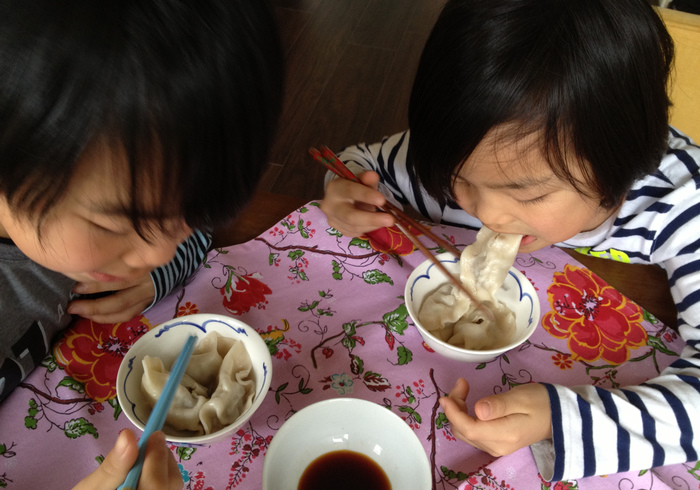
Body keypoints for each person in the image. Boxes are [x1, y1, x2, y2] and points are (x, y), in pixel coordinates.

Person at [320, 0, 700, 482]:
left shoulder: (682, 205)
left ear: (623, 168)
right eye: (463, 180)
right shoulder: (445, 163)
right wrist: (347, 193)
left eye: (532, 193)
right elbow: (358, 163)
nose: (486, 213)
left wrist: (560, 420)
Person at [0, 0, 283, 487]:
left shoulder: (100, 234)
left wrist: (155, 281)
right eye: (115, 225)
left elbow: (195, 238)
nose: (160, 253)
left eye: (185, 219)